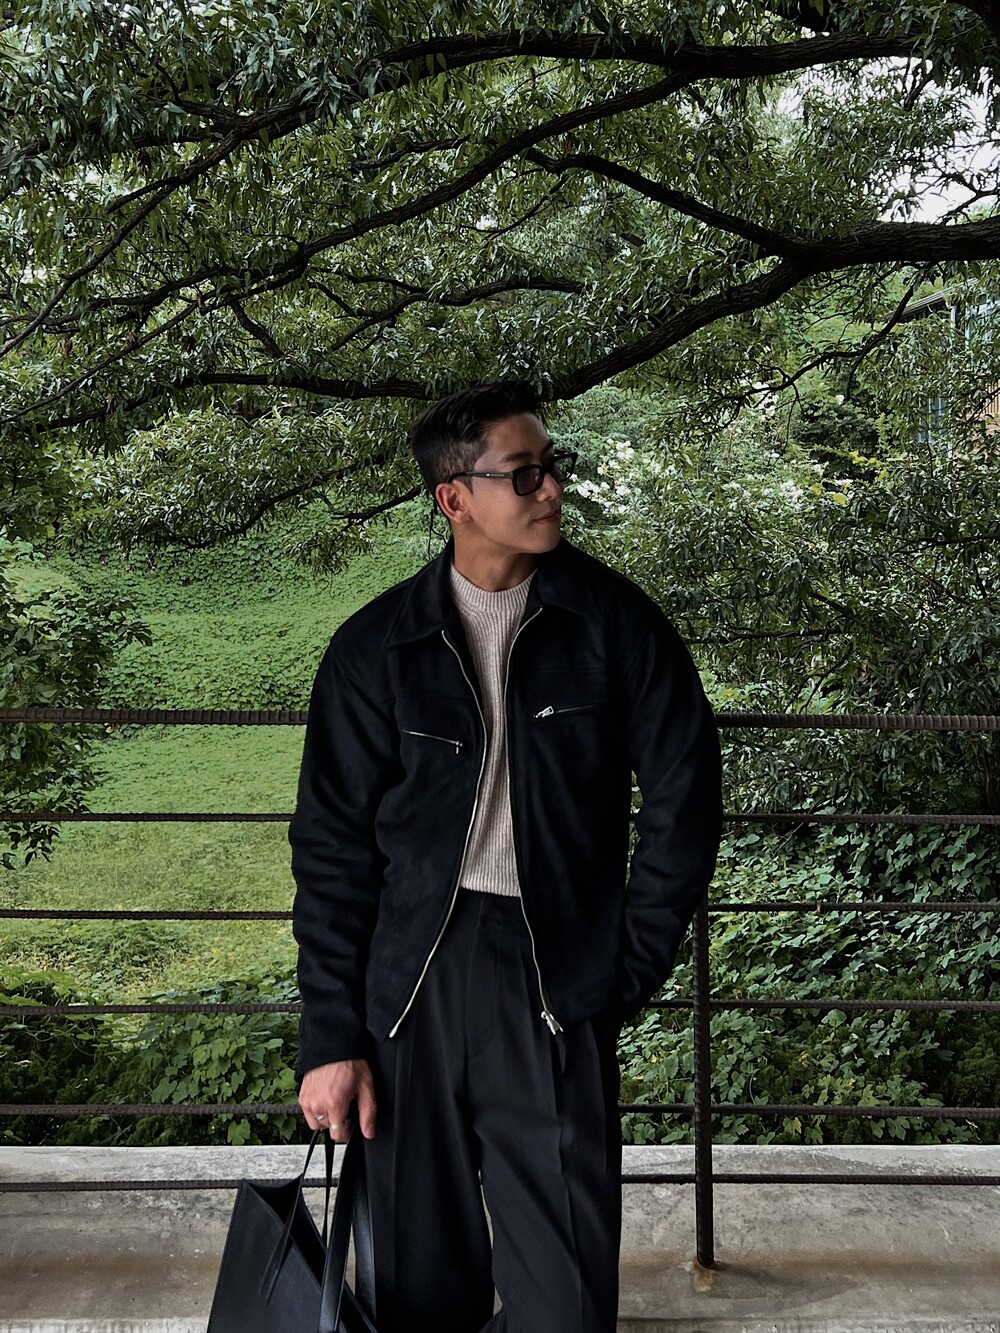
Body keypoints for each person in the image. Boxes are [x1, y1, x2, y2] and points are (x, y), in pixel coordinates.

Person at [289, 381, 723, 1333]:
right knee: (417, 1294)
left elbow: (686, 804)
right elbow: (330, 850)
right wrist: (330, 1035)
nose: (551, 488)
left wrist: (625, 967)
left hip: (554, 972)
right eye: (523, 474)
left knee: (566, 1303)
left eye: (551, 466)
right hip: (410, 982)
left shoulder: (617, 626)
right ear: (455, 498)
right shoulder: (376, 648)